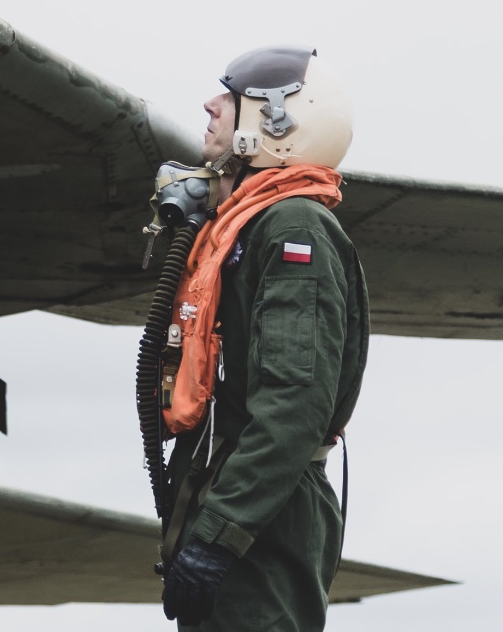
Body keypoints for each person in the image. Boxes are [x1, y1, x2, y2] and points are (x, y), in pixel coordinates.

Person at [157, 49, 369, 629]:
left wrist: (222, 533)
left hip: (263, 512)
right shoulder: (247, 226)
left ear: (277, 120)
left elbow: (294, 404)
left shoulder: (295, 226)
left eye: (231, 97)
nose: (210, 105)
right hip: (239, 496)